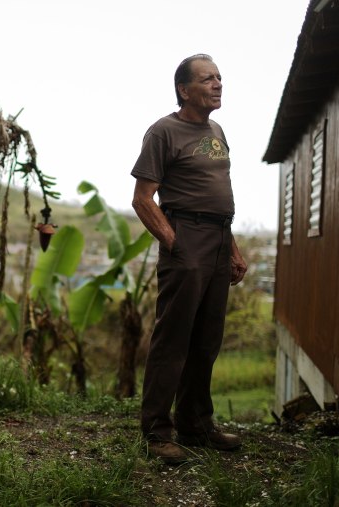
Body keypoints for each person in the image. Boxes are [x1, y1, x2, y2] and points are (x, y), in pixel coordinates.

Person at [130, 54, 247, 465]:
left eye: (219, 77)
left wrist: (230, 247)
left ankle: (196, 425)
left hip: (217, 236)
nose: (217, 84)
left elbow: (216, 198)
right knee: (174, 338)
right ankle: (157, 432)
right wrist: (174, 242)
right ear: (184, 89)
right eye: (207, 79)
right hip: (187, 237)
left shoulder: (217, 130)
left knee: (206, 339)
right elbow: (143, 199)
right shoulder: (164, 131)